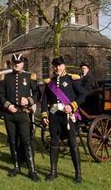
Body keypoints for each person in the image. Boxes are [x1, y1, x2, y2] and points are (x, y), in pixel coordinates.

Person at [41, 56, 86, 184]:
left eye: (59, 65)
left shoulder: (72, 79)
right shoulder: (50, 83)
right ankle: (53, 172)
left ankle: (78, 174)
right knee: (54, 144)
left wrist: (72, 105)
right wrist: (44, 116)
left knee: (72, 144)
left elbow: (83, 94)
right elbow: (44, 102)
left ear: (64, 66)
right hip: (54, 117)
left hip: (68, 116)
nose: (57, 68)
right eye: (55, 66)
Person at [0, 53, 41, 181]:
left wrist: (29, 101)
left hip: (23, 114)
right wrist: (7, 105)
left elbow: (38, 93)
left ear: (23, 63)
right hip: (9, 114)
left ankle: (32, 170)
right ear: (12, 63)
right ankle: (16, 167)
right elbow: (0, 95)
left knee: (26, 141)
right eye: (15, 62)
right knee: (12, 141)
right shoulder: (4, 77)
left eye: (19, 62)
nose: (17, 64)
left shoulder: (29, 77)